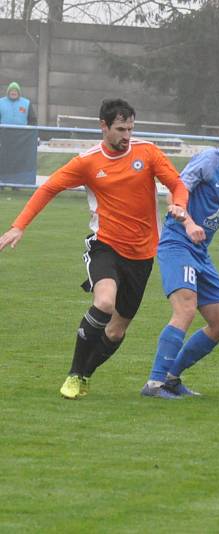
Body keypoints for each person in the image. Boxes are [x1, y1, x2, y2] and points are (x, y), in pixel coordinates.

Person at [0, 98, 189, 399]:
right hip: (106, 246)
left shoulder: (147, 153)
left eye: (130, 128)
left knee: (116, 331)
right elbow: (50, 188)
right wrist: (19, 224)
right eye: (120, 129)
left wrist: (179, 205)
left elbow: (178, 185)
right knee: (104, 302)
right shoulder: (87, 162)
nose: (126, 136)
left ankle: (85, 375)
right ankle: (74, 373)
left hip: (142, 255)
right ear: (103, 126)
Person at [141, 113, 219, 399]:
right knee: (185, 309)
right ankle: (155, 383)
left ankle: (171, 379)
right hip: (177, 243)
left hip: (200, 252)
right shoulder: (208, 161)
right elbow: (176, 192)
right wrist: (188, 222)